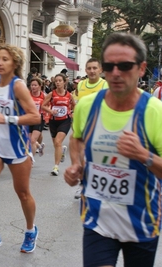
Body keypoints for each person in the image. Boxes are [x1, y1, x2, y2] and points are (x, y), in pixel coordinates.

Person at [64, 32, 162, 267]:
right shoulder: (87, 106)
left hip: (141, 222)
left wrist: (143, 154)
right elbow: (77, 138)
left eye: (125, 65)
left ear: (141, 69)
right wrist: (76, 165)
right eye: (109, 66)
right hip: (97, 221)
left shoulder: (154, 111)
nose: (116, 73)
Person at [0, 44, 41, 256]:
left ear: (15, 64)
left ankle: (31, 230)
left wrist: (7, 119)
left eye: (5, 59)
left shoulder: (18, 86)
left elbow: (35, 116)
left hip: (18, 148)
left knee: (22, 193)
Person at [72, 57, 109, 199]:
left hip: (100, 127)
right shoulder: (81, 85)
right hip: (82, 128)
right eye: (89, 68)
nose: (92, 71)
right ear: (86, 70)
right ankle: (82, 185)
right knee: (82, 157)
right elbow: (77, 102)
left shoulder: (105, 85)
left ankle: (100, 185)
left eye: (95, 68)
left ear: (100, 70)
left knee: (98, 159)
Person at [41, 73, 75, 176]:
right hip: (53, 121)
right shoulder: (52, 94)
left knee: (57, 142)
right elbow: (43, 106)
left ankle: (56, 166)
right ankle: (62, 151)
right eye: (56, 81)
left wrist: (71, 112)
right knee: (56, 144)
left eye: (60, 81)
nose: (58, 82)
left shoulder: (69, 95)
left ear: (64, 82)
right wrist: (51, 111)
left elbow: (74, 106)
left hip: (65, 120)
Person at [29, 77, 46, 158]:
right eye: (32, 85)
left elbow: (48, 106)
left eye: (35, 85)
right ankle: (39, 146)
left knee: (32, 140)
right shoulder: (27, 95)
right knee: (28, 140)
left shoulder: (44, 96)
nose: (33, 87)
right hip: (29, 118)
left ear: (40, 86)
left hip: (39, 119)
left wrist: (47, 115)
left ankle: (31, 160)